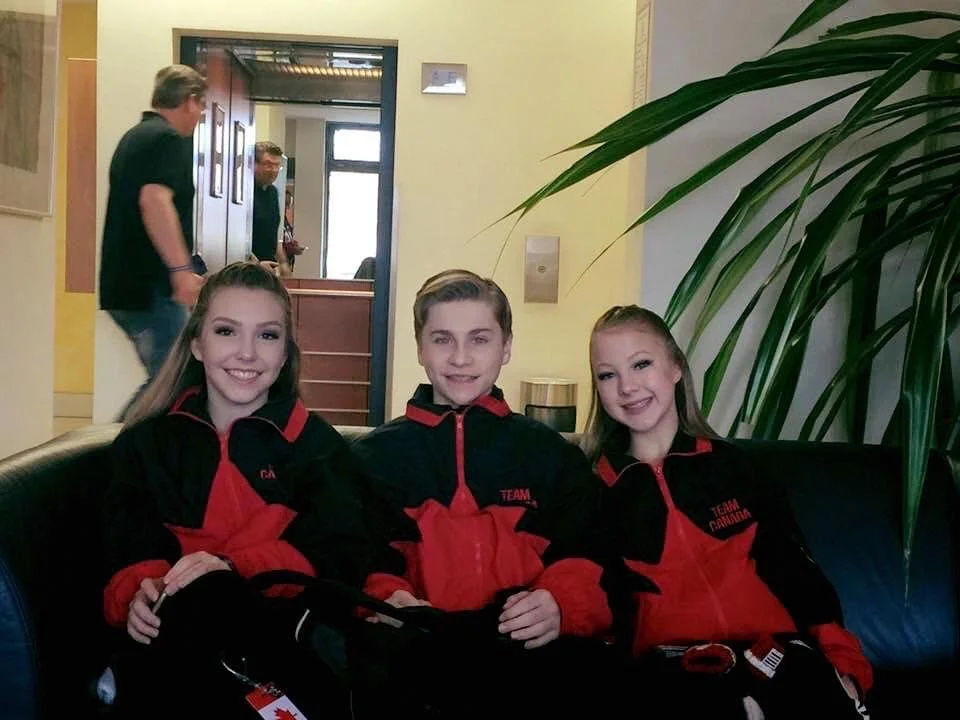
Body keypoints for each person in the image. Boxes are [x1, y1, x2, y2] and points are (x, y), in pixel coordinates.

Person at [101, 261, 382, 719]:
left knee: (215, 590)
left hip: (279, 647)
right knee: (192, 602)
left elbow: (339, 553)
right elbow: (127, 539)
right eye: (227, 331)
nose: (247, 354)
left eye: (267, 335)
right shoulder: (145, 444)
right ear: (197, 343)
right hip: (175, 643)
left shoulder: (319, 449)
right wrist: (139, 593)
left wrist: (231, 566)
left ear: (287, 350)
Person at [351, 269, 616, 718]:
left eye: (479, 339)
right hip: (417, 666)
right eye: (442, 339)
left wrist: (561, 603)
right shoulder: (372, 457)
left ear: (506, 346)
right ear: (419, 347)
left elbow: (593, 551)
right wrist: (383, 595)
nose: (460, 358)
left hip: (528, 665)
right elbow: (353, 556)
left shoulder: (551, 454)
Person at [585, 304, 872, 719]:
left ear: (676, 368)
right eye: (607, 375)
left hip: (775, 652)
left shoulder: (735, 467)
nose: (627, 387)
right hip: (673, 668)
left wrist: (843, 662)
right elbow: (598, 601)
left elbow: (796, 570)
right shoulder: (598, 486)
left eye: (641, 364)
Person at [100, 64, 207, 420]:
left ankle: (121, 456)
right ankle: (106, 456)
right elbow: (155, 201)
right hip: (151, 287)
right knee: (174, 380)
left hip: (127, 286)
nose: (201, 115)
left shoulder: (136, 136)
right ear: (190, 101)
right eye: (202, 106)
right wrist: (181, 271)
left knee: (170, 380)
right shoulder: (167, 139)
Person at [252, 141, 302, 274]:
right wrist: (256, 264)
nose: (273, 171)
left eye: (277, 166)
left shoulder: (273, 193)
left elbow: (274, 235)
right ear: (253, 163)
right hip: (247, 268)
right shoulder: (244, 191)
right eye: (268, 165)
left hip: (270, 268)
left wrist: (284, 264)